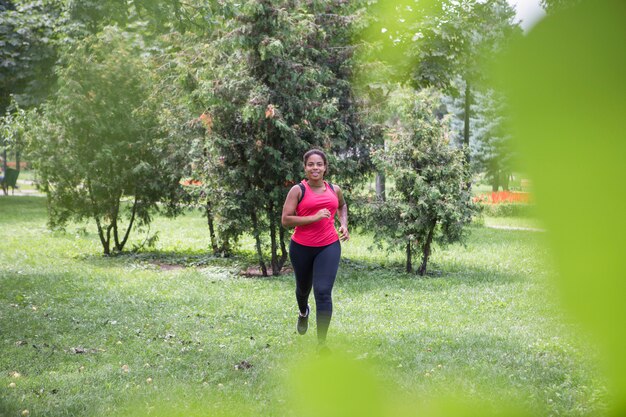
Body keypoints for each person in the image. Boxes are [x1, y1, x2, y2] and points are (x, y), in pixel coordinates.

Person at [281, 149, 349, 348]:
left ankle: (322, 344)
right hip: (301, 248)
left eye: (319, 164)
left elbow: (342, 206)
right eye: (311, 164)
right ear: (305, 168)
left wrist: (343, 224)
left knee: (322, 291)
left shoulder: (334, 189)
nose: (315, 168)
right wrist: (314, 217)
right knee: (303, 289)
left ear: (325, 167)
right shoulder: (298, 190)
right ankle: (303, 312)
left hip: (328, 245)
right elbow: (286, 220)